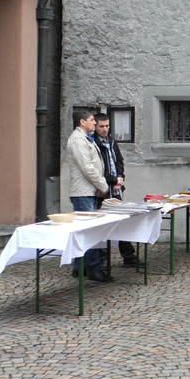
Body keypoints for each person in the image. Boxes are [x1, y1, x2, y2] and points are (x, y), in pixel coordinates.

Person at [66, 107, 112, 282]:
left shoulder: (85, 138)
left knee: (84, 230)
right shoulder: (78, 140)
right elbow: (87, 168)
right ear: (82, 122)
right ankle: (94, 269)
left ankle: (80, 268)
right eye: (92, 120)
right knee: (89, 231)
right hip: (83, 192)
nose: (95, 122)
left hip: (88, 191)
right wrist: (103, 186)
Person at [93, 112, 139, 267]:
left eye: (107, 126)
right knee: (101, 226)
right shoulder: (94, 143)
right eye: (101, 126)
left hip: (116, 189)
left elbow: (119, 161)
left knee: (121, 222)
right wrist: (113, 180)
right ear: (95, 126)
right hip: (102, 190)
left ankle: (129, 256)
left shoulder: (111, 141)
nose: (105, 129)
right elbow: (97, 169)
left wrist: (120, 177)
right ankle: (101, 261)